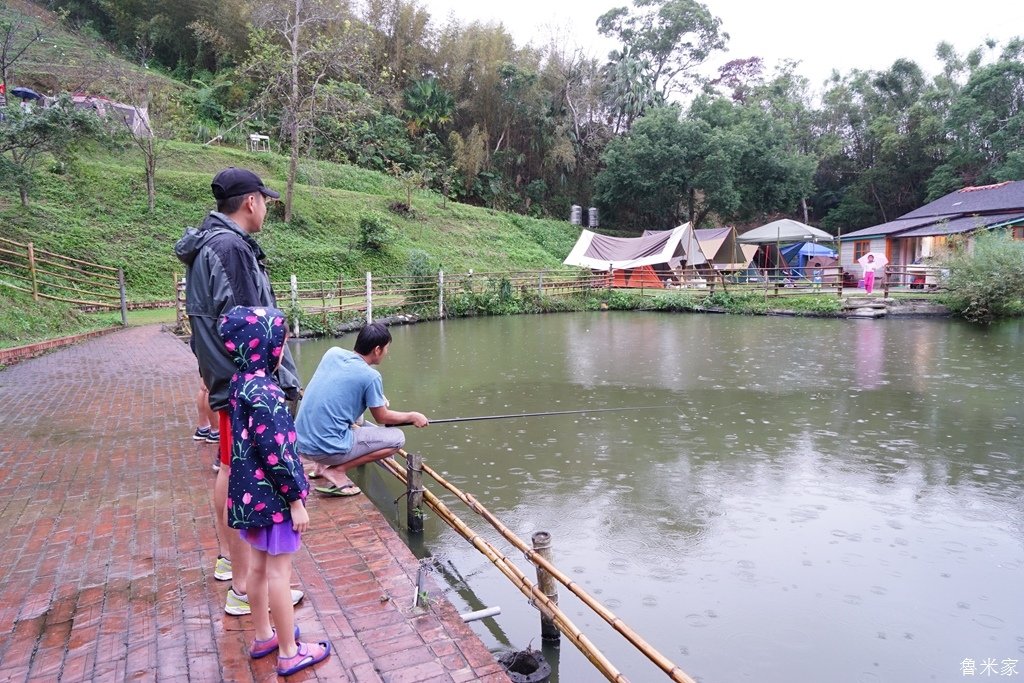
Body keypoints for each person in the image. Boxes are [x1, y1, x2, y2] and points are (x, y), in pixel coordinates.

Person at [175, 167, 303, 615]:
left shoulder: (211, 245)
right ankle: (249, 587)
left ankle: (234, 565)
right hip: (242, 384)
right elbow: (255, 325)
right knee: (239, 472)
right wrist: (274, 382)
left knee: (229, 468)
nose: (266, 207)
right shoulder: (230, 249)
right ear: (250, 202)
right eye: (264, 200)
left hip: (226, 378)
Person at [218, 306, 331, 676]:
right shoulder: (267, 393)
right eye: (279, 341)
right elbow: (279, 453)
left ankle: (264, 634)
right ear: (267, 347)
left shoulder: (240, 382)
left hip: (249, 496)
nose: (282, 349)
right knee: (281, 574)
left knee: (258, 568)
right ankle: (288, 652)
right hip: (274, 499)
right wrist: (297, 500)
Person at [295, 322, 429, 496]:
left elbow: (337, 392)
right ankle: (337, 470)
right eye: (387, 348)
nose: (387, 353)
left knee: (335, 413)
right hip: (325, 449)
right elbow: (382, 417)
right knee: (397, 438)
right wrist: (412, 416)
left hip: (300, 443)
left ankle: (319, 468)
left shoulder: (332, 353)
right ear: (377, 349)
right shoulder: (371, 376)